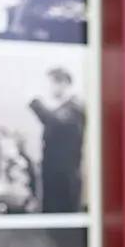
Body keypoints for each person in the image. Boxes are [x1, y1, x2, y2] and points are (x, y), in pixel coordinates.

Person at [28, 67, 83, 213]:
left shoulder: (75, 107)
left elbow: (54, 122)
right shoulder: (63, 109)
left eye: (51, 84)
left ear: (63, 83)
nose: (49, 89)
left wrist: (35, 102)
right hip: (56, 176)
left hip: (65, 178)